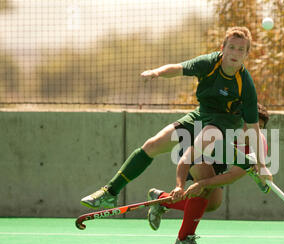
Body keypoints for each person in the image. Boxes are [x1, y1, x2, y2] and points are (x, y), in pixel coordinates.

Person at [81, 26, 272, 211]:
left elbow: (253, 127)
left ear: (246, 54)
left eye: (241, 49)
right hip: (200, 116)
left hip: (224, 126)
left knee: (211, 198)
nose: (235, 52)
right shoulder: (209, 63)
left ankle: (247, 165)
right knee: (153, 144)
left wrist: (262, 166)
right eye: (231, 47)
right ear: (222, 48)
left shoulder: (246, 85)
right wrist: (156, 72)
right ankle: (110, 193)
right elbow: (179, 68)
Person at [147, 106, 270, 244]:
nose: (250, 131)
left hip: (218, 159)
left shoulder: (258, 146)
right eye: (247, 125)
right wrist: (181, 186)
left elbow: (232, 176)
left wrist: (202, 184)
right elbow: (186, 159)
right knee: (205, 187)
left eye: (258, 128)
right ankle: (184, 239)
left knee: (212, 203)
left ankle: (162, 200)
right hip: (196, 150)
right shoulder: (222, 128)